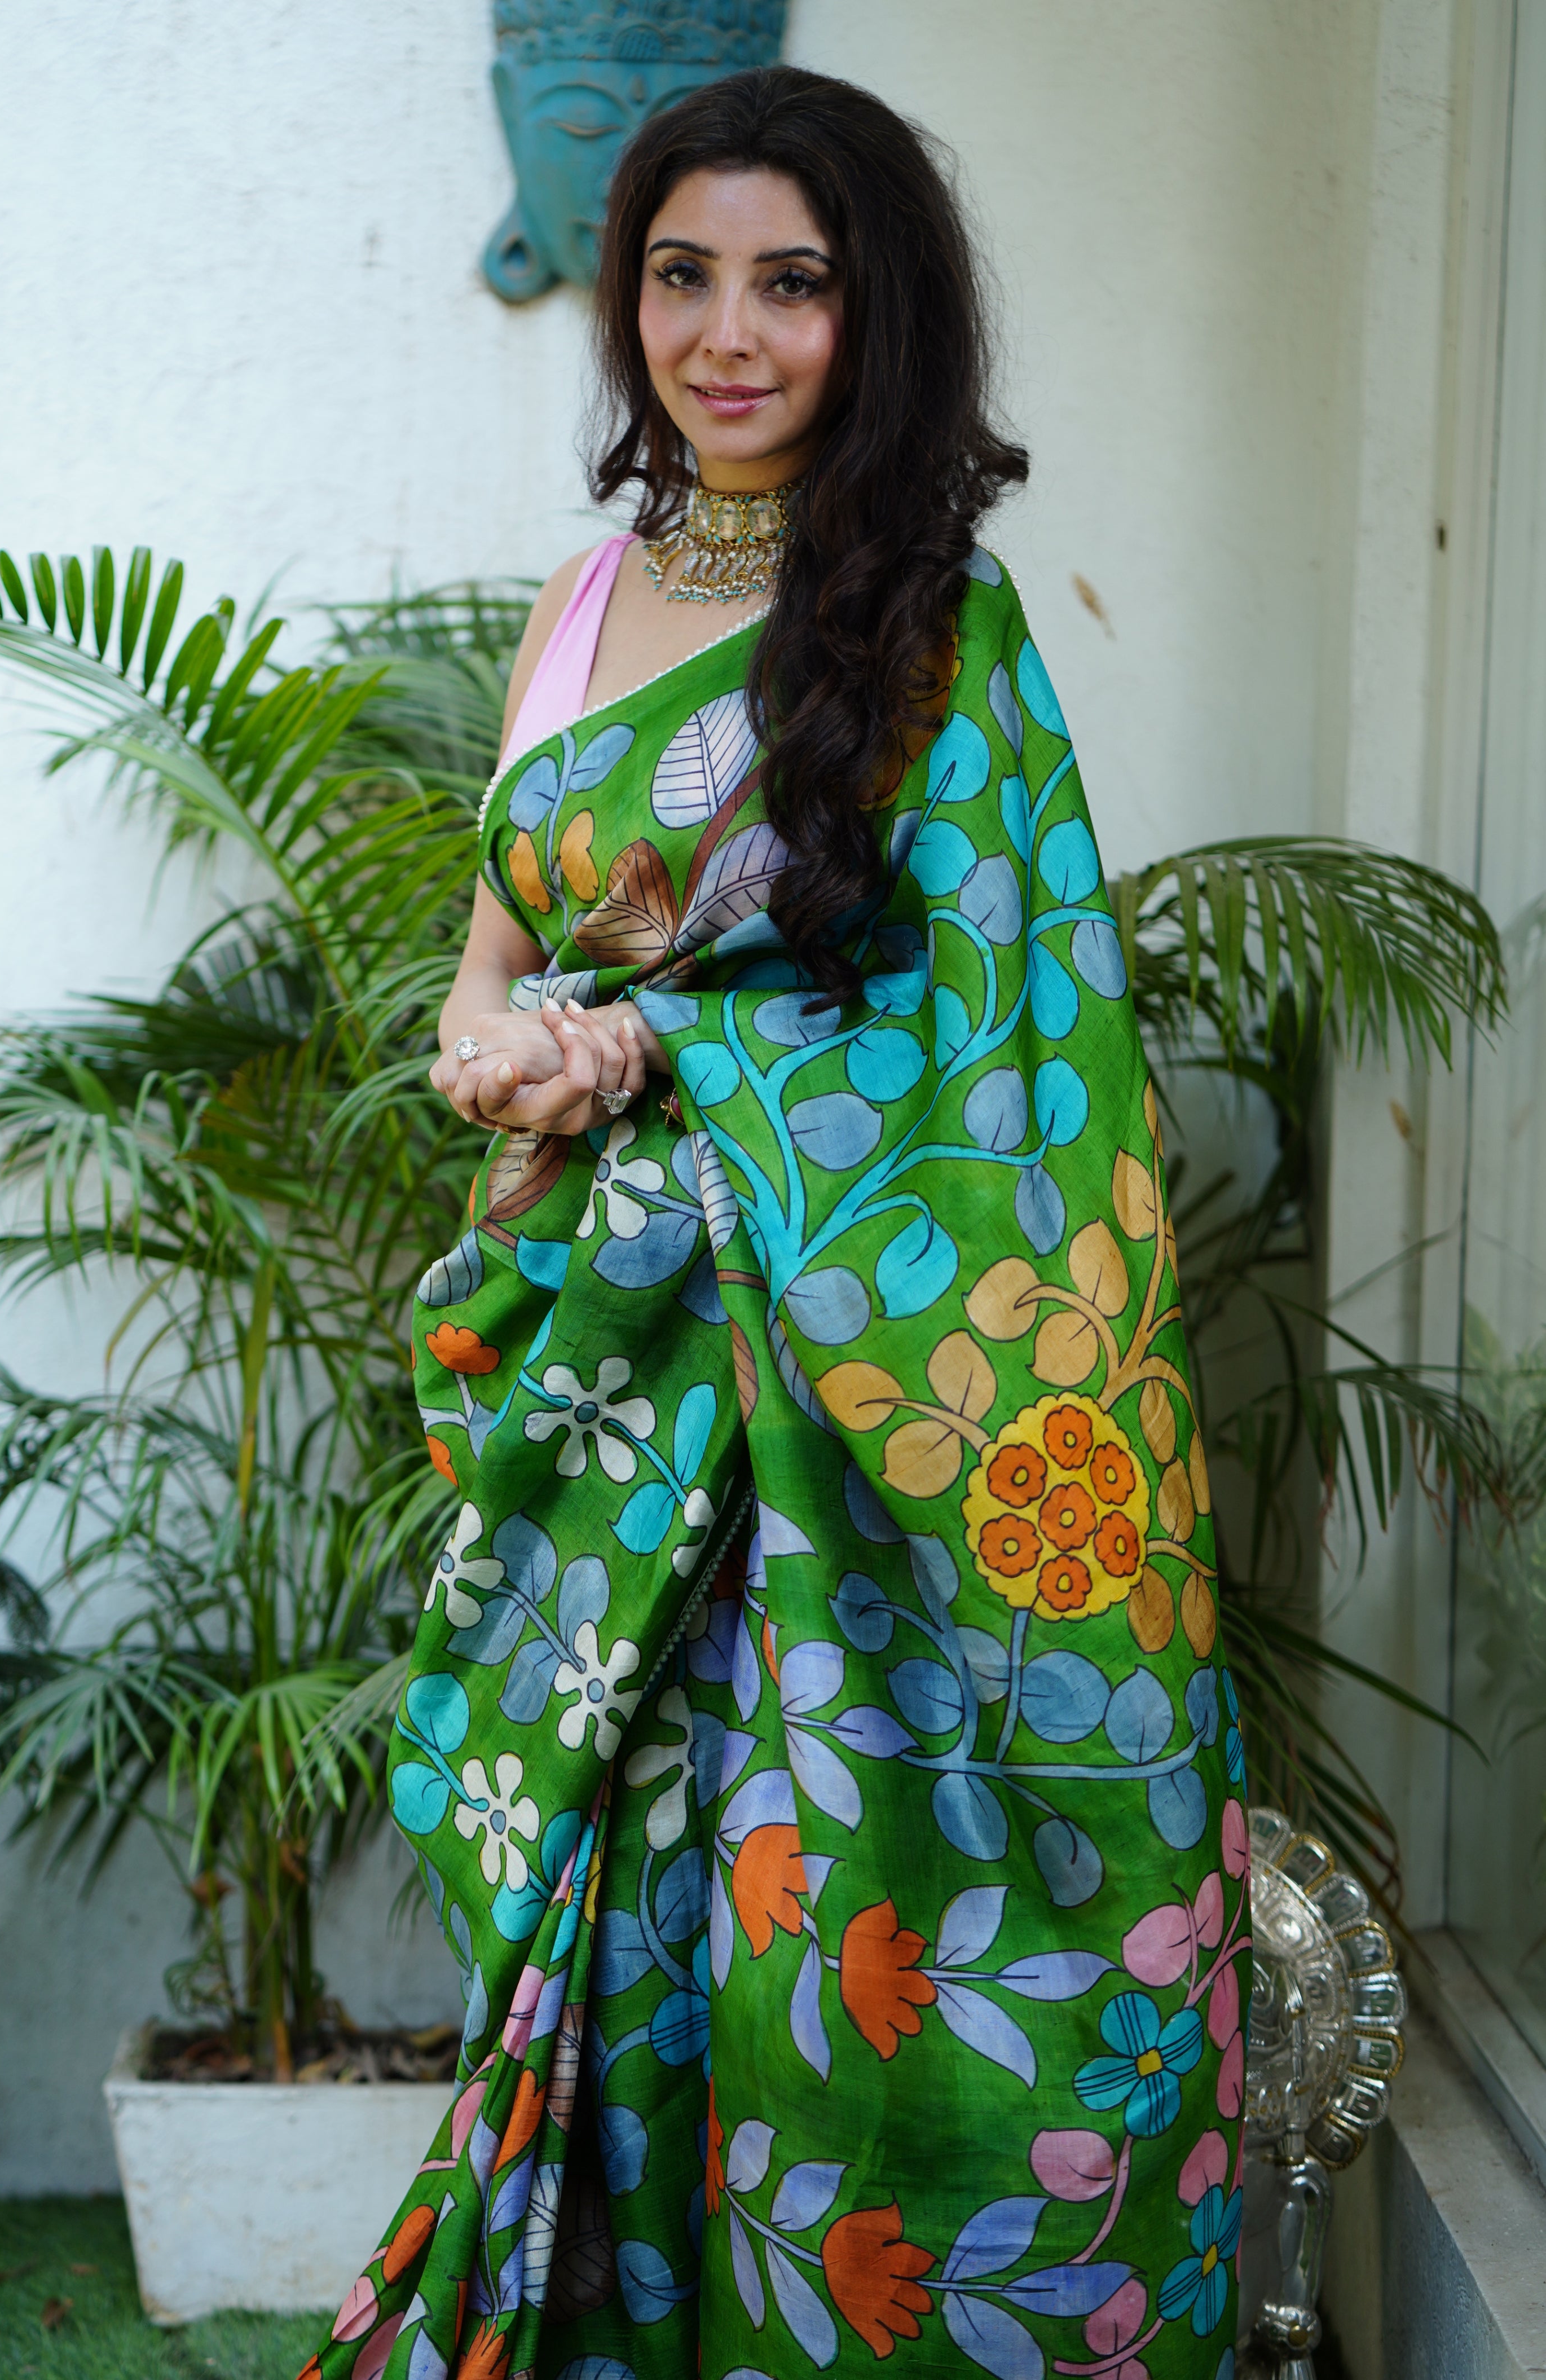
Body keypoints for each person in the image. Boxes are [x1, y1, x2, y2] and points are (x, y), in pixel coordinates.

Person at [305, 65, 1246, 2380]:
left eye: (791, 283)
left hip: (847, 1452)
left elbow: (1000, 1069)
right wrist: (505, 1062)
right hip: (625, 1401)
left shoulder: (940, 627)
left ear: (873, 310)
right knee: (643, 1940)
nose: (727, 333)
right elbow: (494, 956)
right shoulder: (590, 594)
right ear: (627, 302)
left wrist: (642, 1061)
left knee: (817, 1923)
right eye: (682, 274)